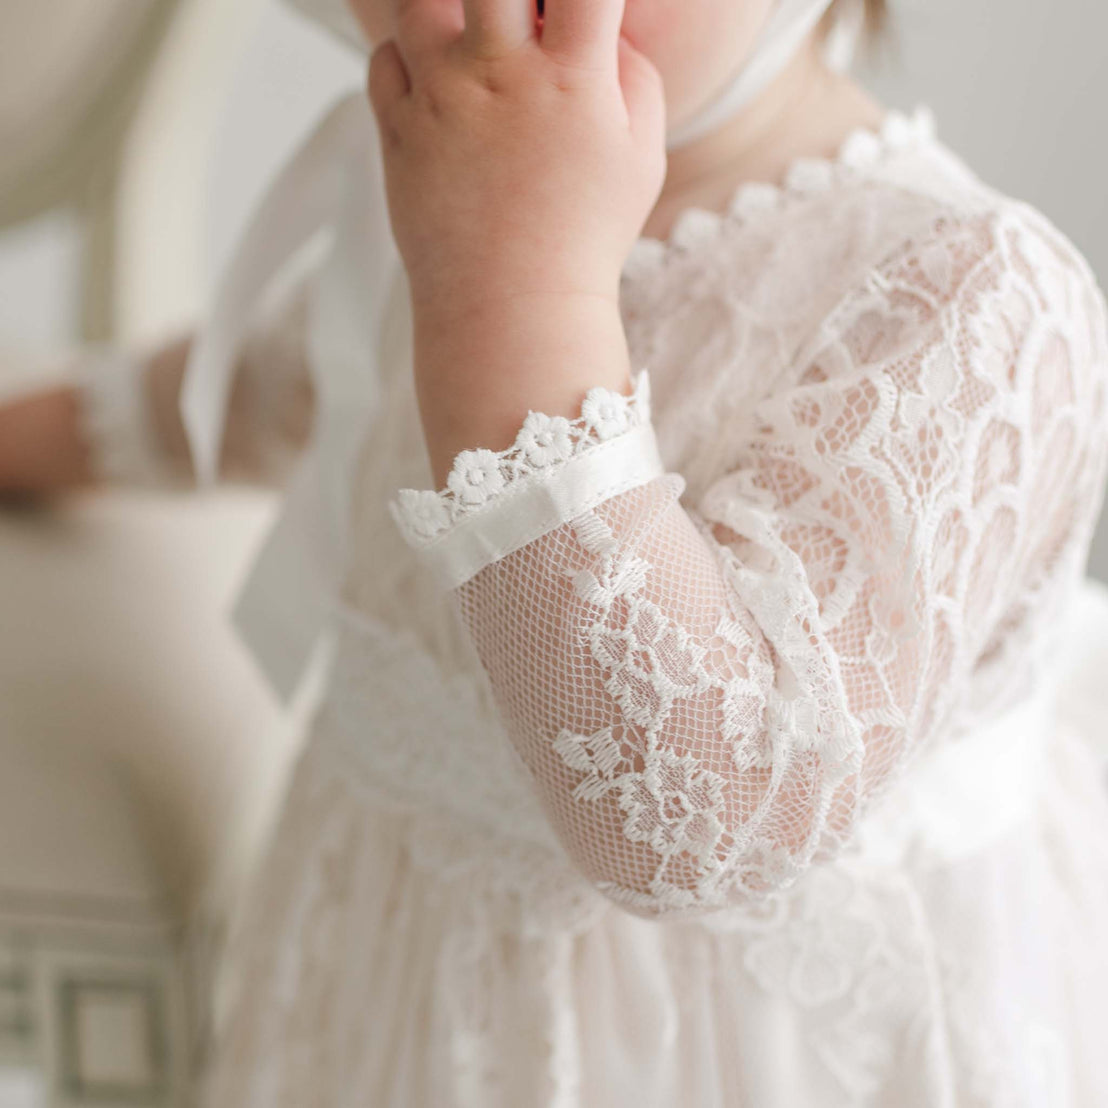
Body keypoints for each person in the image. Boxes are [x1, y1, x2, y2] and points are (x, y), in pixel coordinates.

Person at [4, 0, 1108, 1103]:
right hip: (396, 1010)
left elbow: (701, 819)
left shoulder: (966, 301)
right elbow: (253, 396)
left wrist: (511, 292)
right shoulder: (448, 181)